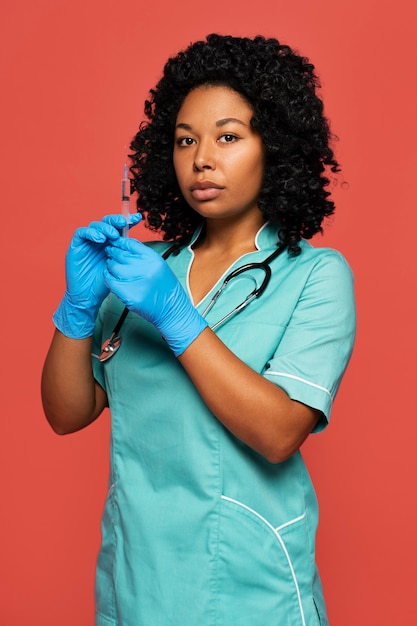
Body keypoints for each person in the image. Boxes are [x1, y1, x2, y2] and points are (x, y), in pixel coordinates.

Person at [41, 34, 356, 626]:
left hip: (247, 582)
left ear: (276, 149)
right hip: (138, 576)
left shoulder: (315, 276)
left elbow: (280, 432)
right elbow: (65, 414)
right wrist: (78, 308)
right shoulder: (144, 272)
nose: (201, 158)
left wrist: (177, 317)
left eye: (228, 136)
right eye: (186, 140)